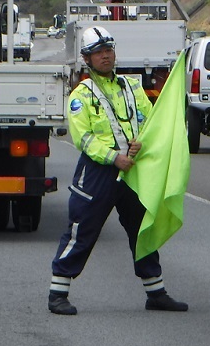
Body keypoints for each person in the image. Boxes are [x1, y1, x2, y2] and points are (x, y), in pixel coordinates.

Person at [47, 26, 188, 315]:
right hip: (98, 173)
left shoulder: (132, 87)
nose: (106, 56)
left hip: (132, 171)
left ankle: (156, 292)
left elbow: (150, 122)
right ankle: (58, 293)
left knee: (142, 228)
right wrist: (114, 158)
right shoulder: (81, 95)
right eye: (98, 52)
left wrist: (141, 143)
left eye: (108, 50)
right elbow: (83, 138)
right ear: (87, 59)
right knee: (82, 229)